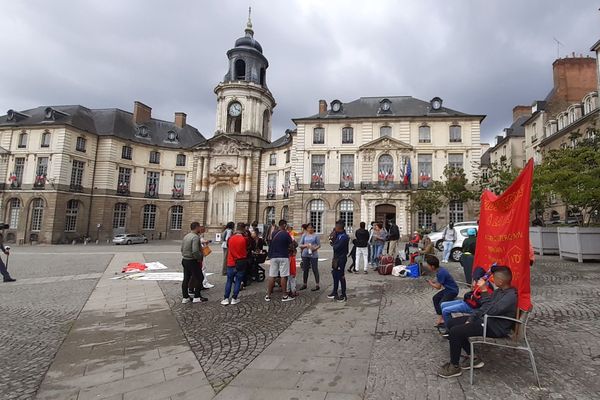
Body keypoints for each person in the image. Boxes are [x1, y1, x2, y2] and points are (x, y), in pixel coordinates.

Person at [437, 266, 517, 378]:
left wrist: (484, 291)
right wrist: (471, 319)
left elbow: (492, 311)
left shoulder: (510, 296)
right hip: (485, 320)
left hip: (494, 327)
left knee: (455, 332)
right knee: (451, 323)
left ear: (500, 281)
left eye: (494, 278)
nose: (492, 280)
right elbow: (484, 307)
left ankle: (454, 367)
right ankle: (473, 357)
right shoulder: (499, 291)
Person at [438, 267, 493, 336]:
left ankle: (449, 330)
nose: (474, 280)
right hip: (468, 302)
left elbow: (483, 303)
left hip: (472, 307)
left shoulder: (486, 288)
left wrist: (473, 296)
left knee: (445, 310)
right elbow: (473, 294)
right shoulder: (479, 283)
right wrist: (470, 293)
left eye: (475, 278)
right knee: (443, 304)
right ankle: (448, 323)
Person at [425, 255, 459, 326]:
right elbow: (439, 281)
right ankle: (441, 319)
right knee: (435, 298)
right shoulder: (440, 269)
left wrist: (430, 283)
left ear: (433, 266)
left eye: (428, 265)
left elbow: (438, 287)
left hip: (452, 291)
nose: (427, 267)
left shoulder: (441, 272)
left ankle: (449, 322)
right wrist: (435, 281)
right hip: (448, 289)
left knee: (442, 304)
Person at [265, 219, 294, 302]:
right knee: (283, 276)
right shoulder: (286, 234)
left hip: (274, 256)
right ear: (284, 225)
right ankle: (284, 295)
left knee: (272, 276)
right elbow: (291, 245)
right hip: (283, 256)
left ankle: (268, 295)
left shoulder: (274, 233)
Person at [181, 222, 208, 304]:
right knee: (199, 277)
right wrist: (199, 258)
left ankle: (185, 297)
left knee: (186, 279)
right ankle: (197, 296)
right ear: (196, 227)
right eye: (199, 227)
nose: (200, 228)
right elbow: (195, 251)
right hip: (192, 261)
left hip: (185, 260)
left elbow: (182, 248)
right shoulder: (195, 237)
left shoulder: (186, 236)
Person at [221, 222, 248, 305]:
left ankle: (226, 298)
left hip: (231, 262)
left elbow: (229, 247)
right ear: (243, 229)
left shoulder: (230, 238)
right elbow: (247, 248)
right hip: (241, 262)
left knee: (229, 280)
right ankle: (234, 298)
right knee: (238, 281)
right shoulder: (244, 239)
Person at [328, 220, 350, 302]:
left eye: (336, 227)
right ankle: (335, 291)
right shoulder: (339, 235)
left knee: (341, 275)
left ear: (338, 227)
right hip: (336, 258)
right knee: (334, 274)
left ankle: (343, 294)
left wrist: (333, 242)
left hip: (341, 258)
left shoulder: (343, 237)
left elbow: (336, 247)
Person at [298, 223, 321, 291]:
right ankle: (304, 284)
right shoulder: (304, 235)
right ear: (307, 229)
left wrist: (314, 248)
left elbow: (319, 245)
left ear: (313, 228)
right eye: (309, 228)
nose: (310, 229)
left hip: (313, 255)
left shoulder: (316, 236)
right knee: (305, 269)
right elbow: (300, 245)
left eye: (311, 228)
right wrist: (306, 246)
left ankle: (317, 284)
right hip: (305, 254)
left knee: (315, 269)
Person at [287, 226, 298, 297]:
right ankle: (293, 291)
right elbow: (293, 267)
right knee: (293, 280)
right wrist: (294, 272)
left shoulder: (288, 257)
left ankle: (287, 291)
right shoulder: (293, 258)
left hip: (287, 271)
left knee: (287, 280)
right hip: (292, 271)